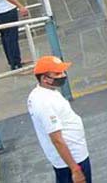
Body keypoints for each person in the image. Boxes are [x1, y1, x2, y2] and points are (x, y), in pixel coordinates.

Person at [28, 55, 89, 183]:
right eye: (57, 73)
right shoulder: (45, 103)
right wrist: (75, 169)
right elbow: (57, 140)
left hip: (71, 158)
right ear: (45, 79)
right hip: (72, 160)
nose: (62, 75)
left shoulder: (43, 93)